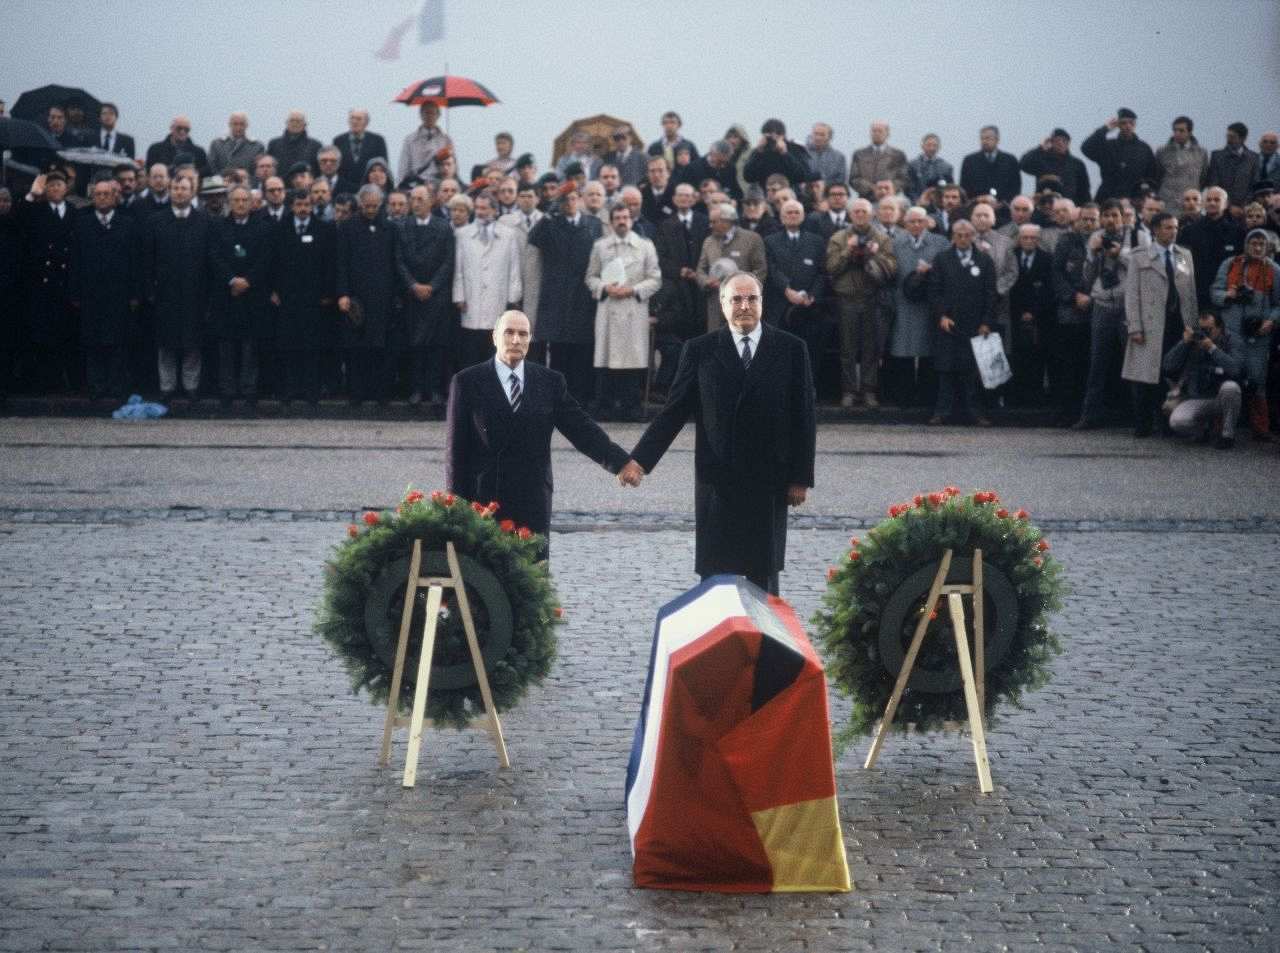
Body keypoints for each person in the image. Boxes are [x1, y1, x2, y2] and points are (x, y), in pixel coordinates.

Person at [619, 272, 815, 596]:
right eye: (736, 299)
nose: (744, 306)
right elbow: (673, 413)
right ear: (722, 305)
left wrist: (800, 478)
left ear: (762, 303)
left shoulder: (791, 349)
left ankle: (762, 645)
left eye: (751, 298)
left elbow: (804, 419)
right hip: (717, 482)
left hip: (769, 481)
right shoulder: (700, 350)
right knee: (715, 579)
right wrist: (639, 461)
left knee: (762, 579)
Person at [446, 309, 630, 558]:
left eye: (523, 334)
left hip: (532, 501)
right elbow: (456, 453)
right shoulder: (467, 382)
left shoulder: (550, 382)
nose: (516, 340)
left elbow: (581, 429)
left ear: (530, 339)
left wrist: (621, 462)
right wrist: (457, 510)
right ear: (494, 337)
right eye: (509, 332)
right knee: (486, 585)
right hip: (485, 501)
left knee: (532, 582)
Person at [1122, 212, 1198, 436]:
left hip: (1176, 322)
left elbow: (1189, 293)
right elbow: (1132, 294)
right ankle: (1143, 424)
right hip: (1150, 323)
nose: (1172, 232)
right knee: (1145, 377)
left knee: (1172, 374)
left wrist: (1192, 325)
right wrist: (1134, 326)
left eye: (1175, 227)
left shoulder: (1183, 256)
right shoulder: (1140, 256)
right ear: (1155, 230)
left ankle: (1167, 422)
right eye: (1167, 227)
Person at [584, 204, 661, 421]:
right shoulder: (600, 246)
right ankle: (606, 406)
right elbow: (590, 277)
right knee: (607, 358)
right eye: (617, 217)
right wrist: (604, 288)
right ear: (610, 221)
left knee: (632, 358)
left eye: (625, 217)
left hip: (633, 308)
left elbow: (655, 279)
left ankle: (631, 407)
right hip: (608, 308)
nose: (622, 221)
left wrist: (633, 290)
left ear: (631, 219)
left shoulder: (645, 246)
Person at [528, 185, 604, 405]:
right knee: (559, 349)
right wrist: (549, 214)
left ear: (580, 200)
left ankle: (581, 397)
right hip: (558, 296)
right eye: (565, 200)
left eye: (573, 198)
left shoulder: (592, 224)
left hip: (583, 294)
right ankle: (559, 398)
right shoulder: (551, 224)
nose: (570, 203)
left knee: (582, 349)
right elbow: (533, 238)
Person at [70, 178, 140, 399]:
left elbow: (135, 261)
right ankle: (96, 387)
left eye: (107, 194)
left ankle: (116, 386)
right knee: (93, 343)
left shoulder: (127, 223)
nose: (102, 198)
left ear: (115, 197)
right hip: (91, 294)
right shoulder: (83, 223)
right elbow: (75, 260)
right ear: (92, 197)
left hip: (119, 294)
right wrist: (75, 291)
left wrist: (134, 293)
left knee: (118, 342)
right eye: (98, 194)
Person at [144, 175, 213, 399]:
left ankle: (191, 387)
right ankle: (167, 387)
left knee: (193, 343)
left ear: (192, 192)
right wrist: (151, 290)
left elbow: (209, 260)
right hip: (166, 293)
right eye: (176, 188)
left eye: (184, 188)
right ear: (170, 190)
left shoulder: (204, 221)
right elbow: (148, 259)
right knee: (166, 343)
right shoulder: (156, 221)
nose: (180, 192)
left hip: (195, 292)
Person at [1210, 228, 1280, 440]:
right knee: (1228, 378)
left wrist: (1271, 321)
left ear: (1267, 247)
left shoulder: (1274, 270)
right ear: (1245, 245)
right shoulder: (1230, 264)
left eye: (1261, 244)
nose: (1257, 247)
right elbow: (1214, 293)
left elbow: (1279, 304)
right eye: (1253, 243)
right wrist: (1228, 295)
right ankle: (1221, 428)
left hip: (1259, 336)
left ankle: (1260, 429)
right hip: (1232, 334)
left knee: (1257, 381)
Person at [826, 198, 895, 408]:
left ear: (872, 214)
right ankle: (848, 391)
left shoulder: (882, 239)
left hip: (872, 299)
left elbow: (892, 269)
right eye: (856, 212)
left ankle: (868, 391)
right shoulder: (838, 238)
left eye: (864, 212)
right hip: (847, 299)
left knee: (871, 349)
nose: (860, 215)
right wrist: (848, 251)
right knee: (847, 349)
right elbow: (831, 267)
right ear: (850, 214)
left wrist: (873, 256)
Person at [928, 218, 997, 425]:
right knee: (946, 370)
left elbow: (990, 294)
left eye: (968, 235)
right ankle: (941, 412)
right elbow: (934, 291)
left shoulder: (985, 260)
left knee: (972, 372)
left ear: (974, 237)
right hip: (949, 323)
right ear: (953, 237)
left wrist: (986, 321)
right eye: (959, 235)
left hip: (975, 324)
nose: (964, 239)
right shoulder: (941, 259)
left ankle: (976, 413)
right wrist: (941, 315)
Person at [336, 184, 400, 405]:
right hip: (356, 298)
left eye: (375, 206)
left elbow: (395, 263)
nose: (371, 210)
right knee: (356, 349)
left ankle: (380, 394)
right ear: (360, 204)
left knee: (380, 348)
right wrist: (343, 293)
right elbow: (341, 263)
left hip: (383, 297)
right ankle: (357, 394)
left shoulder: (389, 228)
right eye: (367, 205)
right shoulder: (347, 228)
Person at [270, 188, 335, 405]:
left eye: (307, 205)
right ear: (292, 206)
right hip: (287, 298)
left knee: (311, 347)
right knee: (288, 346)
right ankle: (289, 390)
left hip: (314, 299)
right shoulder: (280, 230)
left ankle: (310, 391)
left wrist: (327, 293)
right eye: (299, 205)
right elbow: (272, 263)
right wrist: (274, 290)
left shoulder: (324, 229)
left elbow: (329, 265)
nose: (303, 209)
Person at [209, 186, 272, 404]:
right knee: (226, 346)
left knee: (250, 347)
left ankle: (249, 390)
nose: (241, 204)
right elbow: (214, 256)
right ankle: (227, 391)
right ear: (229, 202)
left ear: (252, 202)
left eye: (245, 199)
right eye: (236, 200)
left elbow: (266, 258)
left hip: (252, 296)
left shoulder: (263, 228)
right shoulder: (218, 227)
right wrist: (232, 280)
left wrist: (248, 280)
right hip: (226, 295)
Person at [396, 184, 455, 412]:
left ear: (431, 201)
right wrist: (412, 285)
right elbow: (399, 260)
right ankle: (416, 389)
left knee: (436, 345)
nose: (416, 202)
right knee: (415, 344)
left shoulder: (443, 227)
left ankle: (435, 390)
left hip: (436, 295)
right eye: (413, 198)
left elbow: (448, 261)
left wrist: (432, 286)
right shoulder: (402, 226)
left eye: (421, 199)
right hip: (412, 296)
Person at [17, 172, 77, 393]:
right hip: (42, 283)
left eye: (58, 184)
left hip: (65, 282)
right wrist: (33, 195)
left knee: (65, 335)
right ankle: (42, 382)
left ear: (66, 188)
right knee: (42, 335)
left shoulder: (73, 212)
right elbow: (19, 218)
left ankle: (64, 382)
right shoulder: (36, 211)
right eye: (50, 185)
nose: (54, 188)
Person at [1074, 200, 1132, 427]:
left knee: (1132, 362)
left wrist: (1121, 254)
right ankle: (1089, 416)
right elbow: (1087, 277)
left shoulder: (1136, 236)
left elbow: (1141, 267)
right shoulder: (1095, 237)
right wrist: (1091, 252)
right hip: (1102, 304)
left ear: (1123, 216)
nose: (1110, 220)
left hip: (1127, 304)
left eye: (1114, 215)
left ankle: (1138, 415)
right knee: (1097, 362)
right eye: (1106, 215)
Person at [885, 206, 948, 406]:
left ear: (927, 222)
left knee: (928, 350)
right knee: (902, 350)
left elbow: (947, 270)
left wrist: (931, 271)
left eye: (920, 221)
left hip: (929, 304)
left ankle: (926, 398)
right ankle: (903, 398)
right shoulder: (894, 243)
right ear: (904, 223)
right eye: (911, 221)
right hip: (903, 302)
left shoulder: (940, 243)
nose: (916, 225)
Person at [452, 192, 523, 372]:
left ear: (494, 210)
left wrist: (513, 297)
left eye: (484, 208)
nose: (480, 212)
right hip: (471, 297)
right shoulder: (463, 234)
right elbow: (458, 268)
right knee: (471, 347)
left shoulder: (508, 235)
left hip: (497, 297)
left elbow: (514, 267)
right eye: (477, 208)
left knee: (494, 345)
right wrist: (459, 295)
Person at [764, 199, 828, 386]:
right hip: (780, 305)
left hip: (808, 308)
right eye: (788, 213)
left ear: (803, 216)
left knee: (808, 351)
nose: (792, 216)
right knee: (780, 349)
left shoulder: (816, 241)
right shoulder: (770, 241)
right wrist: (786, 289)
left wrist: (812, 295)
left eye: (796, 213)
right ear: (781, 217)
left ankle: (807, 389)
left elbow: (821, 272)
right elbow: (771, 269)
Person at [1163, 312, 1243, 449]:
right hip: (1197, 396)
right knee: (1177, 421)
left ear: (1220, 328)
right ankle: (1203, 431)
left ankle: (1227, 436)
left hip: (1221, 396)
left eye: (1209, 330)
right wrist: (1184, 343)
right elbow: (1168, 366)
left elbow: (1236, 369)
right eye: (1202, 329)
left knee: (1232, 387)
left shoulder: (1232, 339)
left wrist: (1213, 349)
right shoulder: (1193, 340)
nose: (1204, 333)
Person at [696, 203, 768, 333]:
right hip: (716, 304)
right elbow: (701, 269)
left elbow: (761, 270)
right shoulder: (709, 241)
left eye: (714, 222)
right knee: (716, 343)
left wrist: (742, 288)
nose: (710, 225)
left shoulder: (752, 239)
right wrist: (706, 282)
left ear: (727, 221)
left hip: (744, 305)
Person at [1005, 224, 1055, 408]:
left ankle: (1035, 400)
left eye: (1032, 238)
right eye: (1025, 237)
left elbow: (1049, 289)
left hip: (1040, 317)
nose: (1028, 241)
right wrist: (1020, 312)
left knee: (1037, 358)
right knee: (1017, 358)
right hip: (1014, 315)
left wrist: (1032, 311)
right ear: (1019, 238)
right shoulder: (1011, 256)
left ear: (1038, 239)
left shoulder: (1047, 259)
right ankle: (1016, 400)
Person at [1180, 186, 1244, 309]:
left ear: (1225, 204)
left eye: (1216, 200)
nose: (1212, 203)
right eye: (1208, 200)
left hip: (1227, 292)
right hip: (1198, 291)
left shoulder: (1237, 231)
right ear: (1204, 203)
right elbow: (1181, 261)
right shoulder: (1190, 230)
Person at [1082, 108, 1157, 202]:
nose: (1128, 126)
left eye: (1131, 123)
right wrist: (1105, 129)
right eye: (1124, 123)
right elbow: (1085, 148)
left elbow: (1152, 175)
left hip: (1134, 199)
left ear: (1135, 125)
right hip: (1107, 198)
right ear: (1118, 125)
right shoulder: (1108, 146)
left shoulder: (1144, 149)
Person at [1020, 129, 1090, 206]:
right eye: (1057, 140)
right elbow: (1023, 164)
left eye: (1064, 140)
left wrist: (1084, 207)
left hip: (1068, 206)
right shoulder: (1041, 159)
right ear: (1051, 142)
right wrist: (1040, 147)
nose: (1060, 143)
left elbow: (1084, 190)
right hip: (1044, 205)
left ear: (1069, 143)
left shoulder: (1077, 164)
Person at [1155, 117, 1209, 211]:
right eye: (1175, 130)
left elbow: (1204, 177)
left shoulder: (1201, 153)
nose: (1177, 133)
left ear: (1190, 132)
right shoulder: (1163, 152)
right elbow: (1157, 175)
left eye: (1181, 130)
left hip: (1191, 201)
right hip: (1168, 200)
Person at [743, 119, 812, 191]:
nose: (773, 139)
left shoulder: (794, 149)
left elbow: (802, 176)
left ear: (783, 136)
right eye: (769, 136)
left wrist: (785, 154)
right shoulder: (760, 151)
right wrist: (758, 152)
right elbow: (748, 177)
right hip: (766, 195)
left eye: (777, 135)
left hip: (791, 194)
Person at [959, 126, 1021, 205]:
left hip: (1004, 209)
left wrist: (1003, 203)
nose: (984, 141)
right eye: (982, 138)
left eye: (988, 138)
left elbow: (1015, 187)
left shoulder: (1010, 160)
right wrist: (977, 200)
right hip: (977, 206)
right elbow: (964, 187)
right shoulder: (969, 161)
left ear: (997, 140)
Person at [1205, 122, 1259, 212]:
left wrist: (1244, 206)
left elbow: (1254, 185)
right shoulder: (1217, 156)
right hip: (1221, 208)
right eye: (1228, 136)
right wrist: (1228, 206)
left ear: (1243, 138)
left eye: (1232, 137)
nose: (1229, 140)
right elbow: (1213, 183)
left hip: (1245, 210)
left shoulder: (1253, 158)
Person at [398, 102, 454, 186]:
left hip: (439, 184)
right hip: (416, 184)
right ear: (420, 115)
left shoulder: (446, 139)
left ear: (438, 115)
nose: (429, 116)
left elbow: (452, 166)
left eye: (432, 113)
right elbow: (403, 168)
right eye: (426, 112)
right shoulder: (410, 140)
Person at [849, 121, 909, 198]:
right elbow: (854, 178)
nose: (876, 134)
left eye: (880, 131)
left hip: (890, 199)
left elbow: (903, 179)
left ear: (887, 134)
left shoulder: (898, 155)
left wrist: (886, 189)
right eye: (874, 131)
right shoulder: (859, 154)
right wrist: (872, 188)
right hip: (866, 199)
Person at [334, 108, 388, 188]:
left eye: (359, 119)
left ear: (366, 123)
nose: (354, 121)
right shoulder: (338, 141)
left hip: (370, 188)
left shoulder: (377, 141)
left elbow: (383, 166)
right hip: (344, 188)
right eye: (352, 118)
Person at [145, 116, 209, 176]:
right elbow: (149, 172)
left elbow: (206, 172)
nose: (182, 132)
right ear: (171, 128)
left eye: (186, 129)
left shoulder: (199, 152)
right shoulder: (155, 149)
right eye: (179, 128)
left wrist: (191, 173)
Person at [907, 133, 954, 201]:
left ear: (939, 147)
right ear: (922, 146)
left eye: (935, 145)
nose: (932, 148)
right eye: (928, 145)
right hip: (917, 202)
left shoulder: (946, 167)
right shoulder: (912, 165)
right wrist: (917, 201)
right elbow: (909, 188)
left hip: (939, 203)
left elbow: (950, 188)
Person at [806, 122, 847, 187]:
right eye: (816, 134)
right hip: (805, 193)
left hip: (828, 194)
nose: (818, 137)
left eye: (822, 135)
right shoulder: (802, 153)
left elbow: (840, 180)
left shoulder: (839, 157)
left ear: (829, 137)